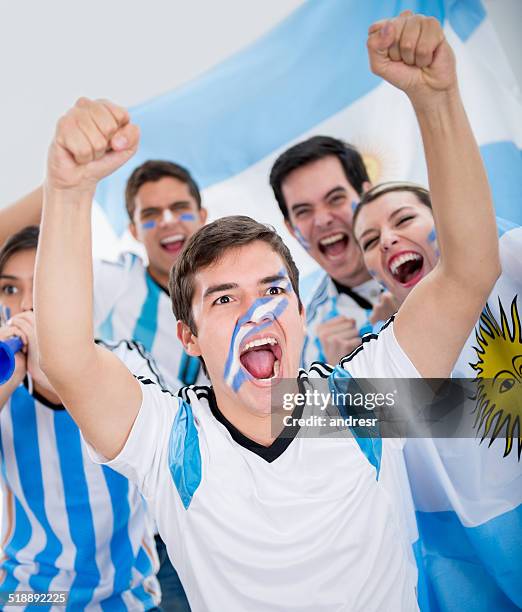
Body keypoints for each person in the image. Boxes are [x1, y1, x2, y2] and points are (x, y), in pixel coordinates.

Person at [35, 12, 500, 611]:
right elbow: (68, 359)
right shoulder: (171, 442)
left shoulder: (359, 405)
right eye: (224, 298)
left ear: (302, 312)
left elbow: (468, 273)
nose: (257, 314)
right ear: (190, 336)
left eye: (273, 291)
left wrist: (437, 102)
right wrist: (68, 191)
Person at [352, 181, 522, 610]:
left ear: (444, 220)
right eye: (370, 241)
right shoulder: (377, 367)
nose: (387, 239)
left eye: (404, 219)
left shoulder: (511, 258)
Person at [0, 227, 162, 610]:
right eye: (9, 289)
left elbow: (130, 431)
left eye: (41, 285)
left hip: (129, 598)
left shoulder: (128, 360)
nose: (25, 305)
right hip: (30, 597)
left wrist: (54, 370)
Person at [269, 135, 384, 367]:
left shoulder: (437, 260)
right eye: (303, 211)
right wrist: (342, 375)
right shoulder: (308, 347)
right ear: (291, 229)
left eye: (335, 199)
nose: (322, 220)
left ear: (367, 196)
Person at [94, 160, 208, 392]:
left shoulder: (243, 288)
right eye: (150, 214)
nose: (167, 221)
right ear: (134, 230)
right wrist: (66, 184)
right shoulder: (115, 281)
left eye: (180, 208)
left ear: (202, 216)